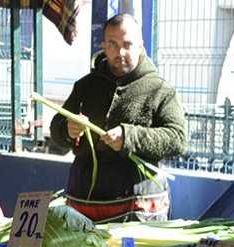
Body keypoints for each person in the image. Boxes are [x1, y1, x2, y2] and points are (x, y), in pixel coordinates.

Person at [49, 13, 187, 223]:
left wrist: (128, 136)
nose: (120, 52)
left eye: (127, 44)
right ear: (104, 46)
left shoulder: (159, 89)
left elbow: (177, 138)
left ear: (140, 46)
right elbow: (56, 128)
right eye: (112, 44)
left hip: (136, 209)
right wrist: (67, 129)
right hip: (84, 204)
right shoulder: (86, 85)